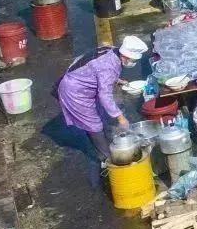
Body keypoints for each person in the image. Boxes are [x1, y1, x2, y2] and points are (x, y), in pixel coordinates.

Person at [54, 36, 148, 164]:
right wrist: (120, 117)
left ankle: (107, 146)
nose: (133, 63)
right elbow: (105, 95)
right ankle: (108, 159)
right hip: (74, 91)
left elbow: (95, 69)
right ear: (125, 56)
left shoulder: (112, 51)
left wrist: (116, 80)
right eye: (133, 60)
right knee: (94, 124)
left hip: (80, 84)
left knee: (100, 117)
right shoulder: (108, 66)